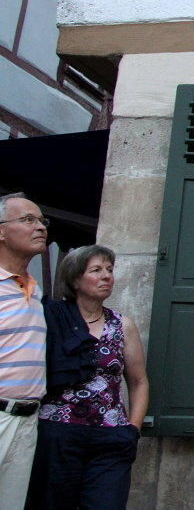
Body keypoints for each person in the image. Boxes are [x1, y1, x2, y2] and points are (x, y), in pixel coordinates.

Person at [27, 245, 149, 510]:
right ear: (75, 279)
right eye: (96, 270)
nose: (106, 276)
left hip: (111, 436)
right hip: (58, 433)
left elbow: (139, 382)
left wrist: (133, 430)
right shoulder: (51, 318)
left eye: (109, 270)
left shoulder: (121, 324)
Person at [0, 193, 49, 510]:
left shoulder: (34, 288)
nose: (40, 227)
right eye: (27, 220)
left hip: (28, 420)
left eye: (42, 221)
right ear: (1, 231)